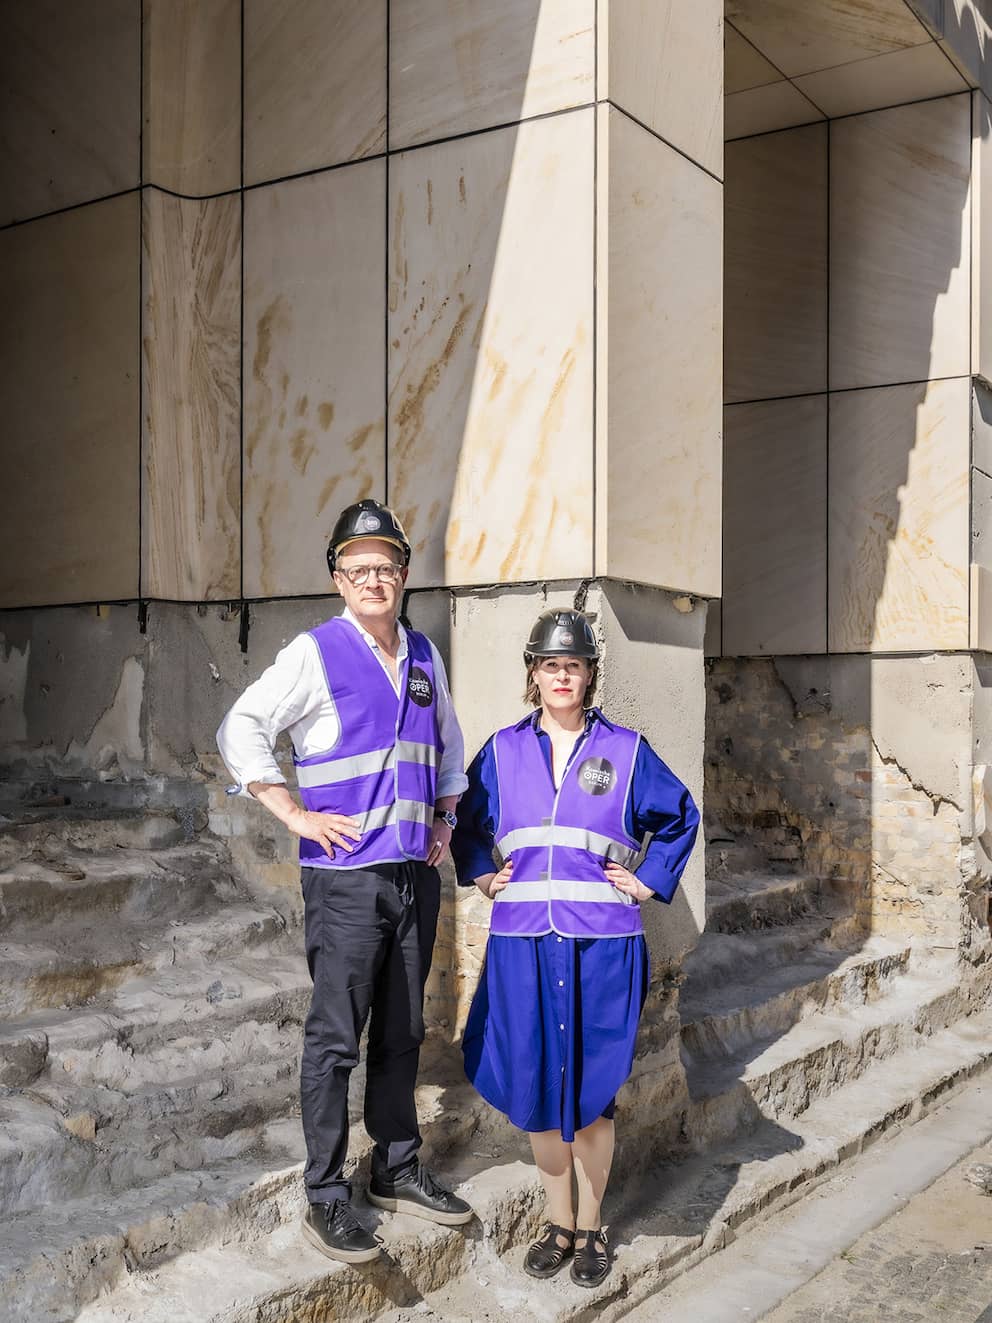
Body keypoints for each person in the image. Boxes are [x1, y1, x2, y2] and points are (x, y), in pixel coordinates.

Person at [217, 499, 472, 1265]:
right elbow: (244, 725)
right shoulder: (315, 652)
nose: (374, 578)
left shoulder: (425, 655)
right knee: (336, 1039)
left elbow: (448, 749)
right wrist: (288, 809)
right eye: (358, 567)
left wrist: (445, 819)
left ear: (401, 576)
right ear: (338, 577)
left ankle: (395, 1166)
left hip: (411, 878)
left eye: (386, 566)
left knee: (402, 1030)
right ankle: (326, 1192)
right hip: (345, 881)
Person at [451, 608, 698, 1288]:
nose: (562, 675)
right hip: (523, 944)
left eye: (575, 664)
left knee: (590, 1093)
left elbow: (679, 816)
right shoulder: (500, 751)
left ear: (590, 674)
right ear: (533, 671)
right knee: (535, 1084)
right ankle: (555, 1221)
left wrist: (648, 879)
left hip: (602, 945)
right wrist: (478, 868)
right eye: (550, 664)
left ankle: (591, 1225)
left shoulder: (626, 751)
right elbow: (465, 822)